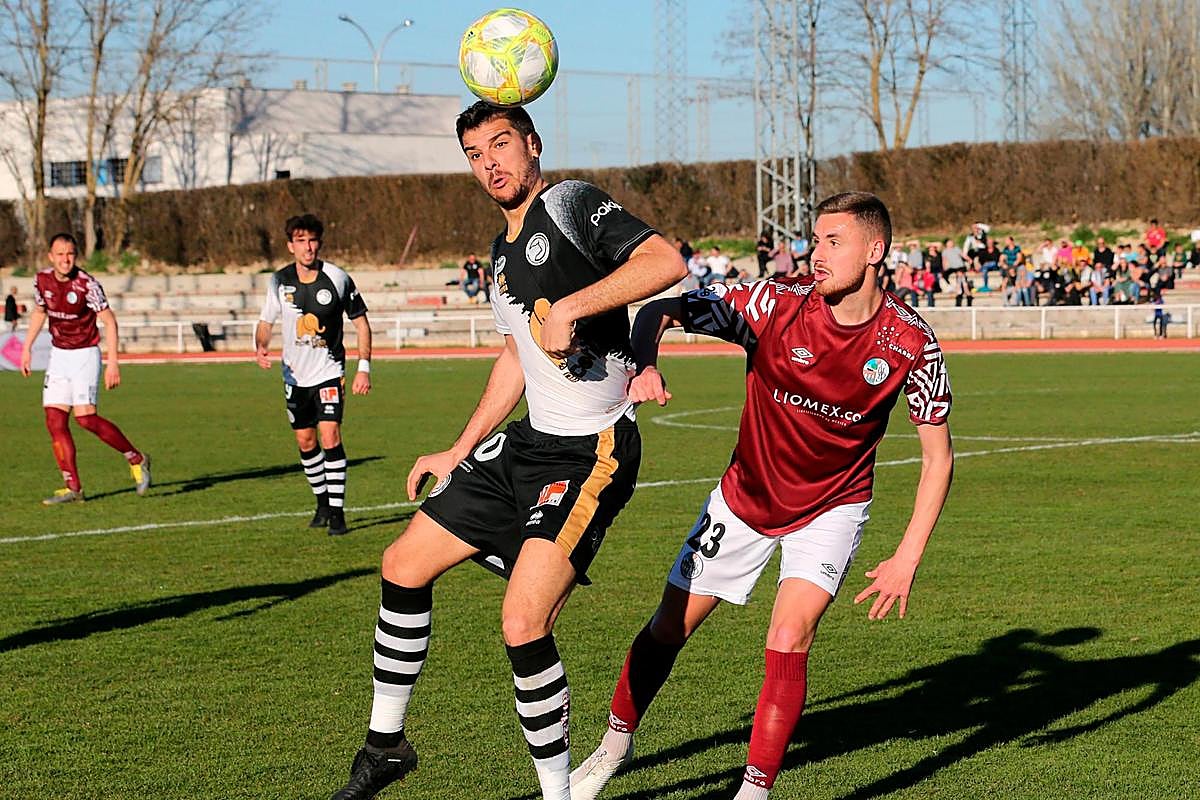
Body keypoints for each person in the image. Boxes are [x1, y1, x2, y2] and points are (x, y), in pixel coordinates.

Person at [327, 101, 686, 800]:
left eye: (501, 144)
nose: (489, 162)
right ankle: (385, 747)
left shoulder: (571, 203)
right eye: (474, 153)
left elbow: (665, 260)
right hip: (525, 445)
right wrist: (457, 450)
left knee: (522, 622)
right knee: (402, 564)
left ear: (533, 145)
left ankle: (555, 795)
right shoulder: (499, 255)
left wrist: (574, 308)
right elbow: (515, 360)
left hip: (591, 451)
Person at [571, 191, 954, 800]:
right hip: (744, 497)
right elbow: (660, 307)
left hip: (833, 506)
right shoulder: (773, 302)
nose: (816, 252)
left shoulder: (912, 342)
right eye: (815, 239)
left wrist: (908, 555)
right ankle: (615, 742)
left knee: (789, 636)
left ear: (875, 250)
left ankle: (754, 791)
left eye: (834, 241)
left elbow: (938, 457)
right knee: (670, 626)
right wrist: (643, 363)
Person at [255, 213, 372, 537]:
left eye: (313, 240)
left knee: (330, 435)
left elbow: (361, 323)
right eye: (301, 241)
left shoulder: (336, 277)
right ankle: (321, 502)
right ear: (290, 245)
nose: (308, 247)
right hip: (294, 378)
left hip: (329, 373)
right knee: (305, 441)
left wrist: (363, 368)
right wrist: (260, 346)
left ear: (319, 242)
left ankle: (337, 512)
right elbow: (266, 322)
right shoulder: (278, 281)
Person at [19, 233, 151, 504]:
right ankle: (73, 488)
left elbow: (109, 321)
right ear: (50, 257)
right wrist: (26, 347)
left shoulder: (86, 284)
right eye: (60, 254)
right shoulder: (41, 280)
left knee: (85, 419)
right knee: (54, 421)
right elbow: (40, 311)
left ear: (75, 256)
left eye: (70, 254)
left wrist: (113, 361)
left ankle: (136, 458)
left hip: (85, 356)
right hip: (59, 356)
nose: (66, 259)